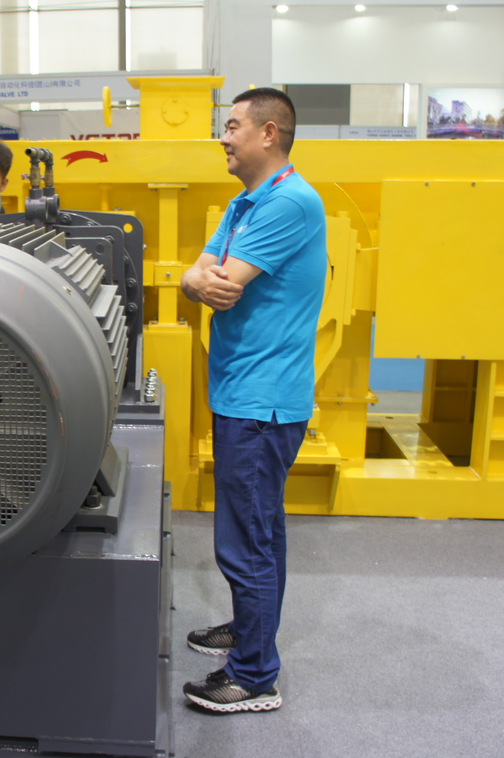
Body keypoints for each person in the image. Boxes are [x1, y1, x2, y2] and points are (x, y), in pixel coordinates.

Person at [179, 88, 326, 714]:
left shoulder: (289, 201)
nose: (224, 136)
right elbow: (197, 277)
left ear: (269, 133)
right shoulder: (245, 202)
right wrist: (193, 278)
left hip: (261, 402)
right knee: (258, 529)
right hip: (243, 391)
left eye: (234, 125)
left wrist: (200, 279)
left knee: (247, 541)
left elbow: (224, 282)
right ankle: (249, 632)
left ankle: (255, 676)